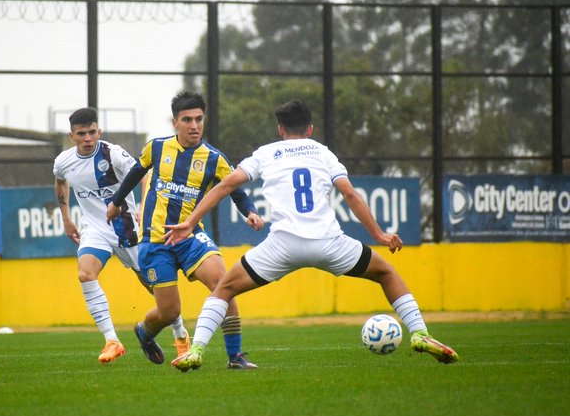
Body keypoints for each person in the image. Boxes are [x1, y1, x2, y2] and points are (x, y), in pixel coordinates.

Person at [166, 99, 459, 372]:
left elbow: (225, 186)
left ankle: (197, 350)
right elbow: (349, 194)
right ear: (310, 129)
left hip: (283, 245)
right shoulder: (323, 152)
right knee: (386, 273)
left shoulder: (266, 153)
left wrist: (190, 222)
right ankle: (419, 333)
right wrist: (378, 234)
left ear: (280, 129)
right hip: (329, 242)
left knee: (224, 289)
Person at [106, 91, 265, 369]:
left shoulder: (214, 158)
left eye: (199, 119)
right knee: (170, 312)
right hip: (155, 241)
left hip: (191, 238)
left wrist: (250, 211)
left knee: (224, 284)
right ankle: (144, 333)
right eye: (187, 120)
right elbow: (135, 173)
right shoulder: (156, 148)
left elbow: (235, 190)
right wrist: (116, 203)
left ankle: (235, 356)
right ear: (175, 123)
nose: (194, 126)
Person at [53, 107, 189, 364]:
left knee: (156, 288)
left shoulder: (113, 154)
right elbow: (60, 182)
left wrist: (144, 209)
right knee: (85, 273)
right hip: (95, 229)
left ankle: (180, 335)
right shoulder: (63, 161)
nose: (87, 138)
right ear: (72, 136)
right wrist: (66, 218)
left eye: (92, 132)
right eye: (81, 134)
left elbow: (145, 176)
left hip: (127, 228)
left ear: (99, 131)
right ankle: (112, 341)